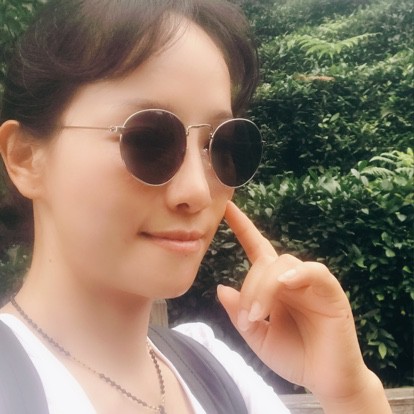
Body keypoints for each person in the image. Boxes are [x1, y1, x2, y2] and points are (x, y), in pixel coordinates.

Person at [0, 0, 392, 413]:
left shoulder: (217, 375)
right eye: (149, 140)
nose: (198, 190)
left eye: (220, 145)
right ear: (26, 158)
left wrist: (349, 394)